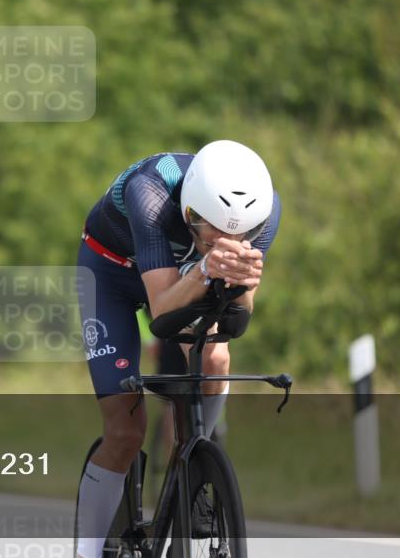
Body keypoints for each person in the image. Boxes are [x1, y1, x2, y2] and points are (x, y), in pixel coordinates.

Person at [75, 140, 281, 558]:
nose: (229, 241)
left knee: (216, 356)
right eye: (215, 231)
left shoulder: (266, 211)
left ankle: (194, 471)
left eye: (240, 234)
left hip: (186, 269)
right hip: (111, 272)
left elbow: (238, 319)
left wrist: (243, 286)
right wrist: (205, 269)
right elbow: (163, 313)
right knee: (125, 431)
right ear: (190, 213)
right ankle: (86, 552)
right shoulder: (150, 193)